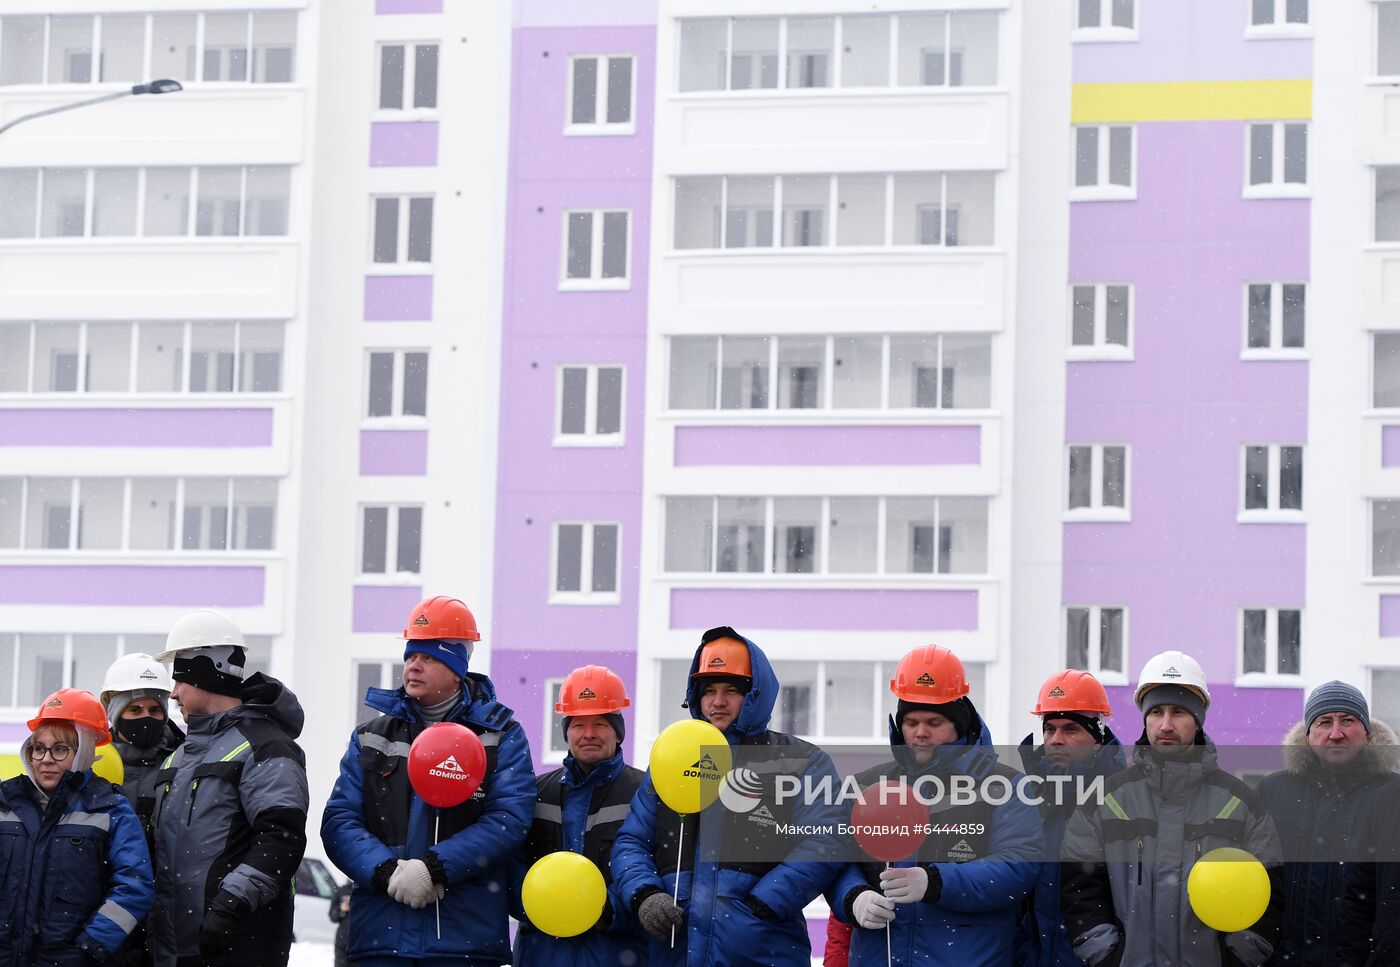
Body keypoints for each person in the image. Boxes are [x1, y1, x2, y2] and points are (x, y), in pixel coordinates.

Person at [322, 594, 535, 966]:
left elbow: (508, 820)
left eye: (429, 657)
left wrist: (436, 868)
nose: (413, 667)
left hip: (463, 940)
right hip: (380, 938)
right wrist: (386, 871)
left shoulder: (500, 736)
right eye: (410, 657)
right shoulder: (371, 735)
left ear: (457, 669)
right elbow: (340, 820)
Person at [611, 625, 844, 967]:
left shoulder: (800, 762)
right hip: (676, 953)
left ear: (755, 695)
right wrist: (646, 894)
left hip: (762, 952)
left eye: (731, 690)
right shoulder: (672, 760)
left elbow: (828, 839)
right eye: (709, 691)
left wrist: (765, 902)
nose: (718, 702)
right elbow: (630, 842)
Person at [1060, 650, 1284, 967]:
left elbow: (1268, 890)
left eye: (1178, 712)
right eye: (1156, 712)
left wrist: (1234, 958)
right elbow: (1080, 891)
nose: (1165, 724)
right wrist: (1110, 957)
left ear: (1197, 720)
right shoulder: (1104, 801)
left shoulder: (1241, 803)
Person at [830, 644, 1042, 966]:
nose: (920, 733)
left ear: (959, 724)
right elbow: (834, 858)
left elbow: (1017, 867)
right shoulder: (867, 786)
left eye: (933, 722)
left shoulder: (1005, 787)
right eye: (911, 722)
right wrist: (853, 896)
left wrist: (936, 881)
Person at [148, 609, 310, 967]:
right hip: (175, 951)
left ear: (207, 674)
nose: (173, 694)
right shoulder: (176, 759)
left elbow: (280, 838)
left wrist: (229, 907)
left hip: (239, 947)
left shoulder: (266, 746)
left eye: (179, 681)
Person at [0, 688, 154, 964]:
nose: (46, 759)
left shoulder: (110, 809)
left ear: (83, 752)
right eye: (39, 748)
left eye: (60, 749)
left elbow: (135, 886)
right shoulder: (5, 803)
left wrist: (92, 946)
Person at [512, 664, 647, 966]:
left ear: (618, 732)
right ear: (566, 732)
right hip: (543, 953)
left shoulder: (644, 793)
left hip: (616, 953)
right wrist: (541, 905)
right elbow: (511, 864)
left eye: (600, 724)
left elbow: (653, 872)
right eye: (578, 724)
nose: (588, 734)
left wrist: (606, 909)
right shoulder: (535, 793)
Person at [1258, 681, 1398, 965]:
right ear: (1308, 735)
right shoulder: (1273, 791)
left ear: (1368, 734)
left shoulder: (1391, 795)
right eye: (1324, 722)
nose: (1336, 734)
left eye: (1348, 720)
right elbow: (1259, 887)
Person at [1016, 669, 1125, 967]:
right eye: (1049, 729)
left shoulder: (1126, 802)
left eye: (1071, 729)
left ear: (1097, 738)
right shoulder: (1024, 800)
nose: (1056, 740)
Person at [100, 652, 186, 824]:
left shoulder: (183, 761)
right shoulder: (94, 761)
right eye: (135, 710)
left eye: (154, 710)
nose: (146, 718)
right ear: (116, 714)